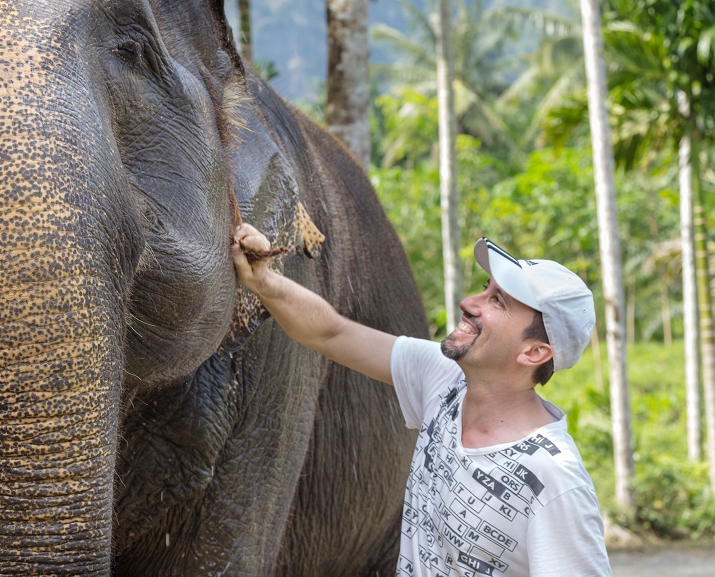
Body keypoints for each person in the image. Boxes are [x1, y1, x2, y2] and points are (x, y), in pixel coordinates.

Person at [232, 223, 611, 576]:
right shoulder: (445, 379)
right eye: (485, 288)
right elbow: (332, 334)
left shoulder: (555, 479)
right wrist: (264, 280)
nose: (469, 302)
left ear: (533, 353)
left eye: (498, 302)